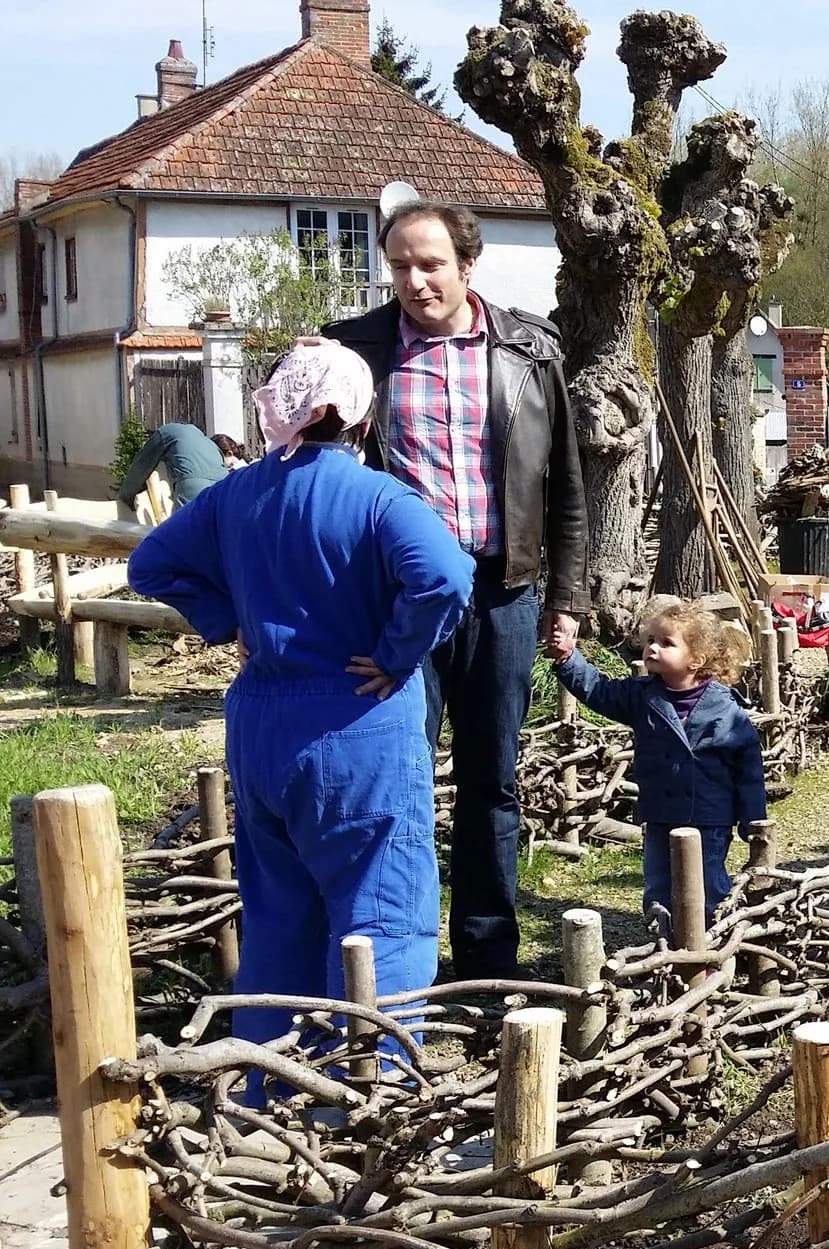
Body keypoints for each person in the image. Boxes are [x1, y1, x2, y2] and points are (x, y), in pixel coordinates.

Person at [127, 341, 472, 1055]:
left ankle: (266, 1083)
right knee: (381, 913)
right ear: (363, 421)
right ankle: (365, 1090)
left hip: (262, 729)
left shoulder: (235, 494)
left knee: (279, 916)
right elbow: (443, 577)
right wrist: (396, 653)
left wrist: (228, 621)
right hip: (357, 725)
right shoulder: (379, 498)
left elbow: (150, 564)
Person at [327, 200, 588, 983]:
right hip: (401, 604)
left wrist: (566, 597)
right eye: (399, 266)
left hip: (503, 594)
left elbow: (566, 485)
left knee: (491, 781)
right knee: (397, 778)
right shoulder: (354, 353)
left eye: (430, 264)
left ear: (468, 265)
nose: (414, 281)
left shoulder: (529, 351)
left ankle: (485, 957)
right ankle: (398, 960)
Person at [551, 598, 768, 926]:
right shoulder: (641, 695)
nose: (652, 647)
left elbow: (748, 770)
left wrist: (753, 819)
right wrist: (569, 658)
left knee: (708, 882)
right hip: (660, 814)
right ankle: (664, 938)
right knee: (659, 883)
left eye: (667, 643)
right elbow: (598, 691)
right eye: (651, 639)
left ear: (696, 659)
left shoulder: (726, 710)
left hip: (709, 817)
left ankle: (714, 937)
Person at [117, 423, 246, 513]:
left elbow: (141, 466)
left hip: (193, 487)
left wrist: (126, 496)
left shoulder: (166, 432)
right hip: (222, 491)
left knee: (180, 537)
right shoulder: (208, 444)